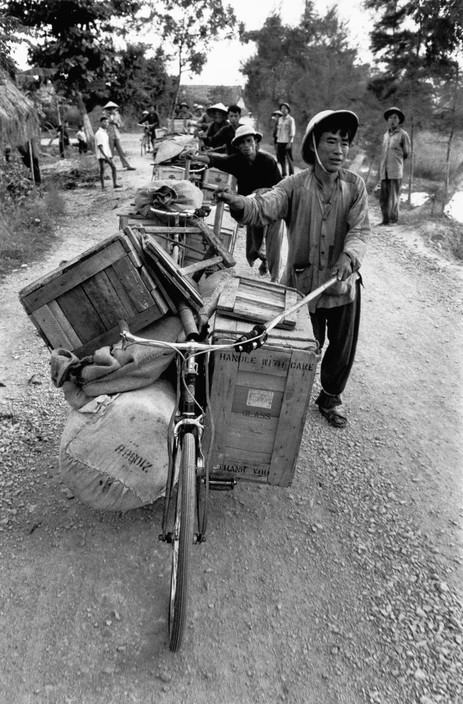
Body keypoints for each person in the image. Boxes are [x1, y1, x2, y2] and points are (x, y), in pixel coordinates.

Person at [215, 110, 370, 429]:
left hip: (341, 287)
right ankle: (288, 398)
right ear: (314, 144)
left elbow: (360, 229)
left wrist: (350, 255)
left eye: (344, 142)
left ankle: (330, 397)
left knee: (341, 349)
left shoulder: (356, 187)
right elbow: (263, 207)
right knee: (299, 349)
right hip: (301, 287)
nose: (340, 150)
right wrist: (241, 203)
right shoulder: (293, 185)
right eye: (331, 141)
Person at [187, 124, 283, 282]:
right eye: (242, 143)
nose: (246, 145)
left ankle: (275, 277)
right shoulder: (237, 161)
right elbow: (215, 160)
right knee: (256, 239)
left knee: (274, 241)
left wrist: (264, 190)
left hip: (272, 204)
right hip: (251, 206)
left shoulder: (268, 161)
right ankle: (263, 259)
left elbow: (280, 187)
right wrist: (195, 157)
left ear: (255, 142)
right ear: (238, 146)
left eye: (249, 141)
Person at [378, 107, 411, 225]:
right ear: (387, 120)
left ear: (399, 121)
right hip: (384, 170)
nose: (393, 120)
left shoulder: (403, 135)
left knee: (394, 197)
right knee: (383, 198)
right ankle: (385, 220)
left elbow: (407, 152)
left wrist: (397, 161)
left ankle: (393, 220)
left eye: (395, 118)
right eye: (391, 117)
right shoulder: (385, 135)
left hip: (396, 170)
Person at [102, 101, 136, 171]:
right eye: (110, 108)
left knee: (121, 151)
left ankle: (127, 165)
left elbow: (121, 125)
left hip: (117, 135)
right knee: (110, 152)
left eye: (113, 108)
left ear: (115, 108)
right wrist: (109, 122)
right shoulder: (105, 116)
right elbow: (103, 125)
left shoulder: (117, 115)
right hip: (109, 135)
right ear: (107, 109)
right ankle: (108, 166)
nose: (111, 110)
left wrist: (116, 123)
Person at [94, 116, 122, 190]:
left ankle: (115, 183)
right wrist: (106, 157)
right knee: (102, 170)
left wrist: (109, 155)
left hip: (107, 154)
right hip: (102, 155)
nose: (106, 124)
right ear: (101, 123)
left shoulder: (105, 132)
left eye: (107, 122)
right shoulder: (99, 133)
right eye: (104, 122)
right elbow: (100, 146)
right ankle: (103, 187)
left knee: (114, 167)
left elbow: (106, 145)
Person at [275, 102, 296, 176]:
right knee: (281, 158)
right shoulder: (280, 119)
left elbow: (292, 131)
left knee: (289, 158)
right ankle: (284, 173)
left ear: (288, 110)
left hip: (287, 141)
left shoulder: (290, 119)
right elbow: (278, 130)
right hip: (280, 141)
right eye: (282, 108)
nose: (283, 110)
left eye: (285, 108)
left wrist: (289, 142)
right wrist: (277, 141)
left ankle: (292, 174)